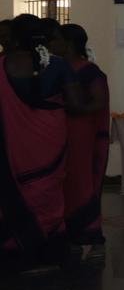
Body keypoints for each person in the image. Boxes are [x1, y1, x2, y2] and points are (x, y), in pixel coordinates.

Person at [0, 15, 82, 271]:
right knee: (48, 189)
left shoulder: (2, 65)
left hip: (12, 141)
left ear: (14, 38)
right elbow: (76, 104)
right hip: (50, 139)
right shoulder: (58, 65)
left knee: (14, 187)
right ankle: (50, 248)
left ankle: (14, 247)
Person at [60, 24, 110, 263]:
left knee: (82, 184)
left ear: (69, 44)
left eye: (55, 40)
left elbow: (98, 102)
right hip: (63, 135)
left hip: (83, 135)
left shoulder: (89, 71)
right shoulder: (58, 68)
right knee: (65, 185)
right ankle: (70, 237)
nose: (50, 45)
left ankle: (93, 237)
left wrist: (75, 109)